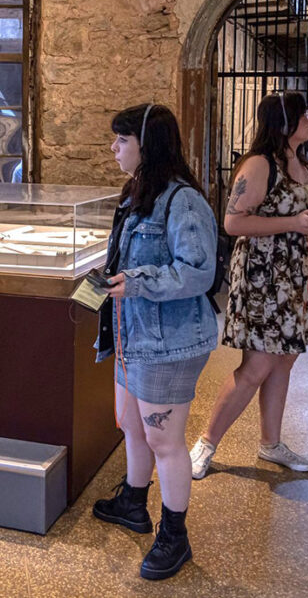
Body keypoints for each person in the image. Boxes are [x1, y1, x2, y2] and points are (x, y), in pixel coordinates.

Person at [189, 91, 308, 481]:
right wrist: (294, 223)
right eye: (304, 113)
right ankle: (206, 443)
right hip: (266, 278)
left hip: (300, 275)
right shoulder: (260, 165)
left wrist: (307, 223)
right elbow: (233, 224)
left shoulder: (298, 160)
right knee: (257, 364)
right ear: (283, 122)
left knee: (284, 358)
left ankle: (270, 443)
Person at [91, 103, 218, 581]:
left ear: (147, 144)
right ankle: (133, 500)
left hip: (171, 341)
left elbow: (198, 271)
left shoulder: (183, 201)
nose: (114, 148)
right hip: (133, 332)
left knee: (165, 439)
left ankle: (175, 534)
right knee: (131, 424)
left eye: (122, 140)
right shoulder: (139, 192)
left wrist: (137, 280)